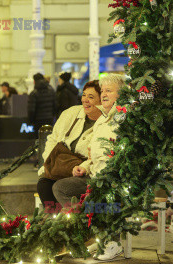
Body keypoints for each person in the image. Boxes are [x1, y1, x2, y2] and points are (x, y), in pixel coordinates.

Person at [53, 73, 126, 261]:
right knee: (61, 187)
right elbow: (92, 153)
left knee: (104, 195)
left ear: (121, 93)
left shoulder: (124, 118)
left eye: (109, 91)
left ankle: (113, 243)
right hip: (94, 175)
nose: (104, 95)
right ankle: (92, 231)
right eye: (103, 91)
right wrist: (84, 167)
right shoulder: (103, 118)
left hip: (114, 178)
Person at [37, 80, 102, 209]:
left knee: (61, 187)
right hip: (60, 168)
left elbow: (99, 153)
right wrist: (50, 161)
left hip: (85, 172)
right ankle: (55, 222)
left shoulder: (104, 122)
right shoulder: (70, 113)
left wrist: (82, 167)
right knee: (44, 184)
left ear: (101, 101)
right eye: (84, 95)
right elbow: (52, 139)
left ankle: (73, 221)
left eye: (91, 97)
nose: (85, 100)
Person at [28, 73, 57, 138]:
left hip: (38, 121)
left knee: (38, 140)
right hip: (49, 119)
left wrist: (31, 120)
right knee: (49, 139)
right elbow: (55, 106)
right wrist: (52, 116)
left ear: (34, 81)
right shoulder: (51, 91)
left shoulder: (33, 93)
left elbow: (31, 109)